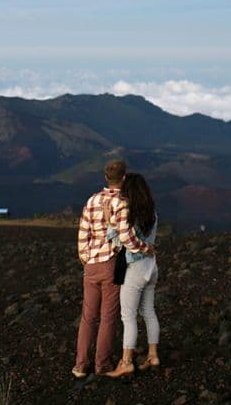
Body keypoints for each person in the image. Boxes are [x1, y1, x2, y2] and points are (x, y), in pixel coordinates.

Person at [73, 159, 154, 378]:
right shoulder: (123, 203)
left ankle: (80, 365)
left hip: (91, 264)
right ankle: (102, 364)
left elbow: (83, 232)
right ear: (124, 178)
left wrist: (85, 258)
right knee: (108, 317)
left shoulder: (92, 200)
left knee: (88, 317)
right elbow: (126, 236)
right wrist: (144, 248)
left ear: (106, 178)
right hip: (111, 264)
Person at [105, 172, 161, 377]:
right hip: (151, 267)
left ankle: (126, 361)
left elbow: (120, 240)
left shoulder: (130, 215)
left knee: (128, 316)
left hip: (134, 269)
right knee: (148, 311)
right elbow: (150, 241)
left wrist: (111, 223)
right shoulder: (152, 213)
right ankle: (153, 355)